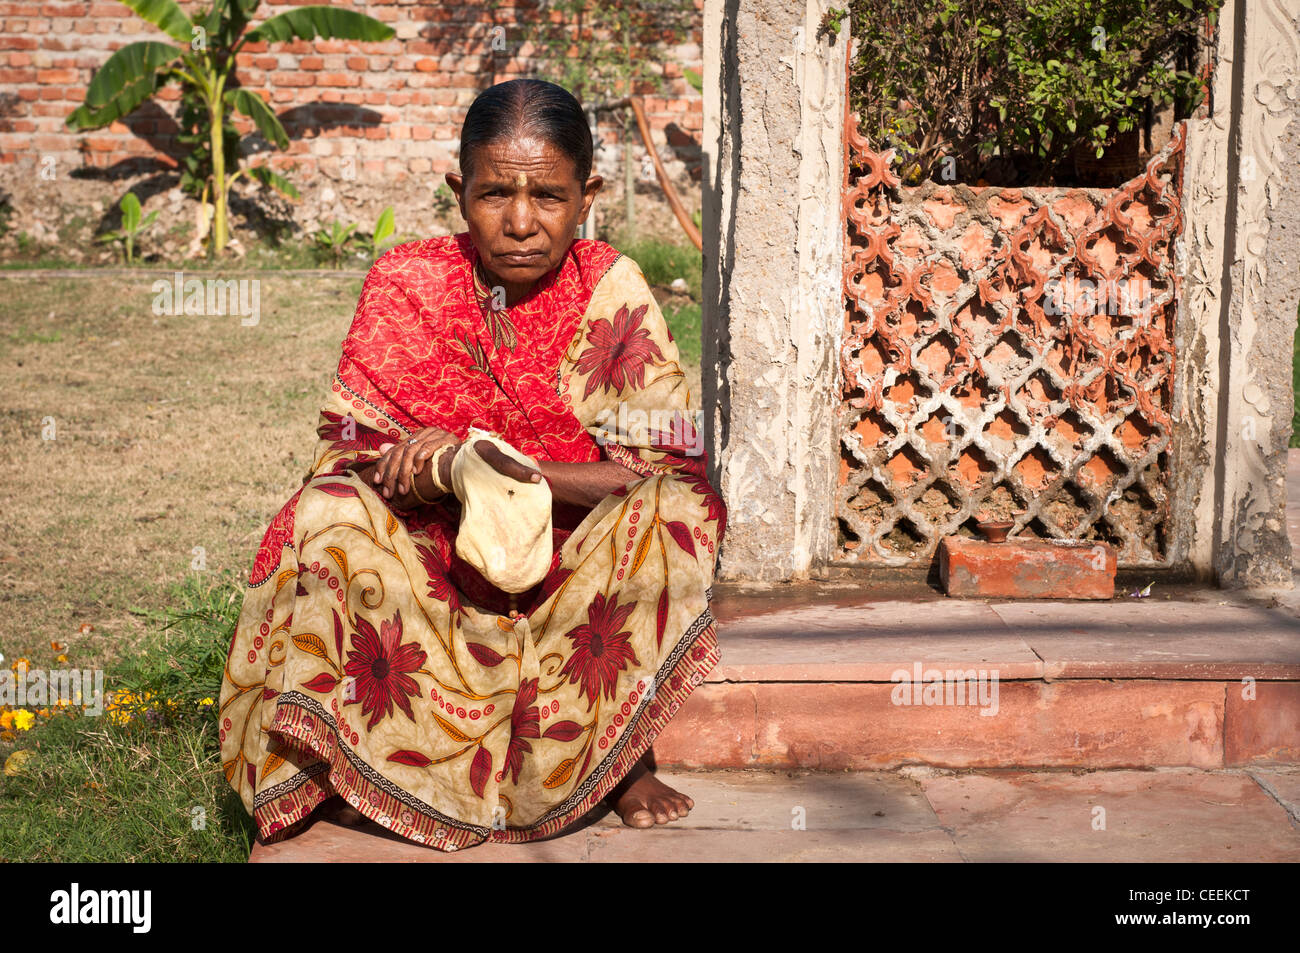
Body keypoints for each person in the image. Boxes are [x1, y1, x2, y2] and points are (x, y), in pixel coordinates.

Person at [217, 78, 726, 852]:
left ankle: (620, 760)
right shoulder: (406, 282)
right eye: (494, 194)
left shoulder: (609, 288)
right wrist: (431, 474)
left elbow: (653, 476)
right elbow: (348, 458)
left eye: (549, 195)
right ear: (460, 192)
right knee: (322, 510)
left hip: (571, 563)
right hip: (437, 564)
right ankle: (364, 768)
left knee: (678, 513)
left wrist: (493, 463)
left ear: (587, 195)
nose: (521, 222)